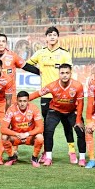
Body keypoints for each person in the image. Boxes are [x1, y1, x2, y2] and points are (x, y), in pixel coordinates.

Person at [26, 26, 73, 162]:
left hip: (62, 96)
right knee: (47, 127)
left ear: (58, 37)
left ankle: (71, 151)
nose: (52, 37)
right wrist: (38, 71)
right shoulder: (40, 53)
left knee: (66, 124)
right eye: (49, 35)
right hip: (46, 95)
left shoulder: (64, 54)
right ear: (46, 38)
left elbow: (69, 72)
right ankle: (46, 153)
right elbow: (27, 64)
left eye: (54, 35)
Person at [29, 63, 86, 167]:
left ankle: (82, 158)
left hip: (71, 111)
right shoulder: (52, 85)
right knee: (48, 131)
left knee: (80, 130)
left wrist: (78, 120)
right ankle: (48, 157)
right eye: (62, 73)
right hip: (55, 110)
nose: (64, 75)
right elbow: (38, 93)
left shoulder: (77, 86)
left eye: (67, 73)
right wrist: (22, 99)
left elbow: (81, 104)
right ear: (59, 74)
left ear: (71, 74)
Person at [0, 91, 44, 168]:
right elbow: (3, 129)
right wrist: (17, 134)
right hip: (16, 137)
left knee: (40, 137)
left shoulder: (34, 109)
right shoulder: (11, 110)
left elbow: (40, 128)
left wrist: (27, 134)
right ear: (17, 101)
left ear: (28, 101)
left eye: (24, 101)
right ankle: (12, 157)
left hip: (29, 137)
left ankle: (34, 158)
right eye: (20, 101)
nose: (22, 103)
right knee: (4, 137)